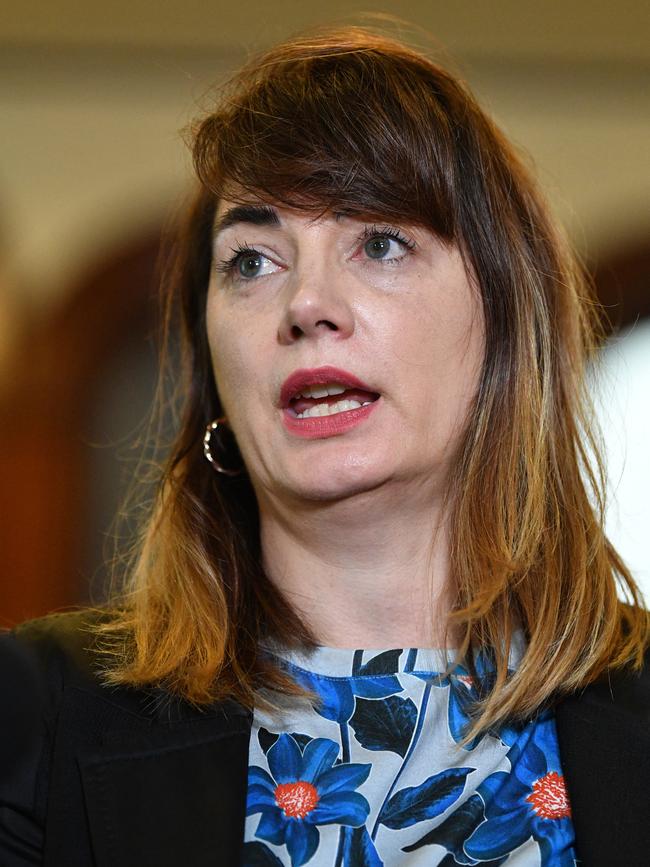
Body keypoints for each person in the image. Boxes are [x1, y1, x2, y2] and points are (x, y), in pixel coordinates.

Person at [1, 25, 648, 867]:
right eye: (252, 261)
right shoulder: (33, 719)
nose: (307, 303)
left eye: (380, 243)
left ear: (502, 332)